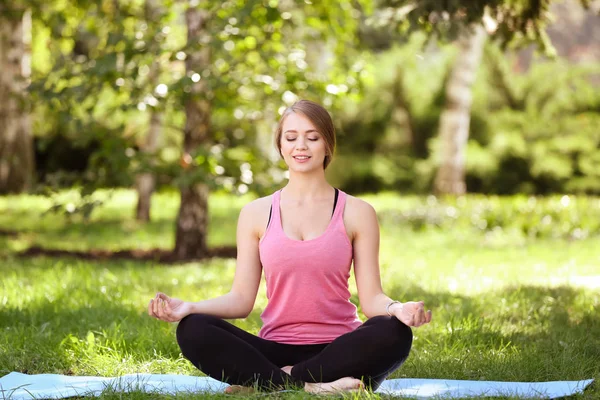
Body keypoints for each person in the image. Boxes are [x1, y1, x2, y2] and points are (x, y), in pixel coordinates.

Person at [148, 99, 432, 394]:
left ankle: (268, 383)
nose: (301, 146)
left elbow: (372, 299)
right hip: (273, 350)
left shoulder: (357, 212)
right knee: (193, 329)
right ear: (281, 146)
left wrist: (398, 309)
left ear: (327, 145)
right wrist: (190, 307)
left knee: (395, 331)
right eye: (291, 137)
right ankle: (315, 388)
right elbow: (242, 299)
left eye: (312, 137)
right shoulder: (255, 213)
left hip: (340, 351)